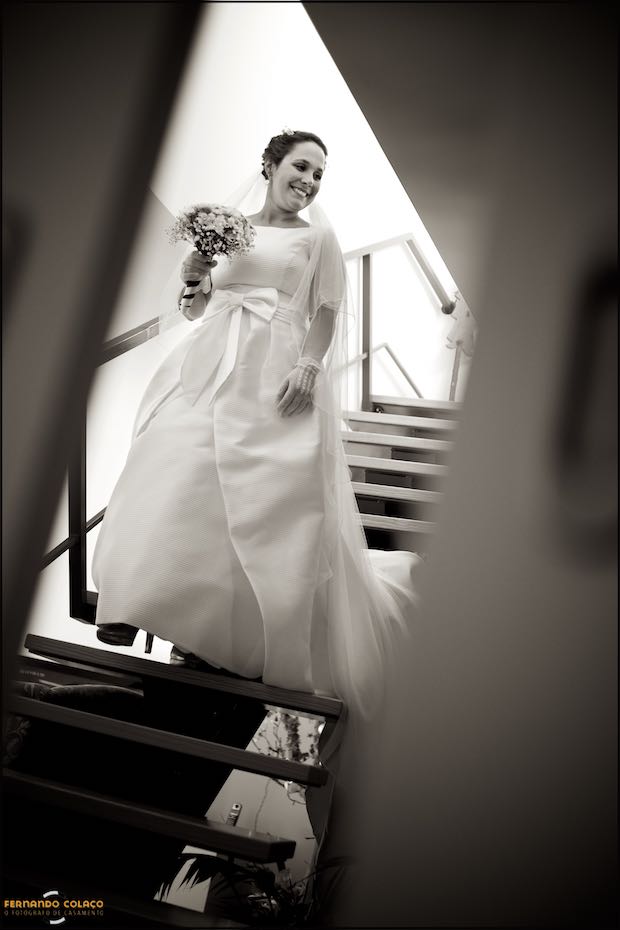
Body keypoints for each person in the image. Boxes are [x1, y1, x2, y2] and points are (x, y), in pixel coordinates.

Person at [92, 129, 422, 722]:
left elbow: (325, 311)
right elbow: (194, 310)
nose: (310, 181)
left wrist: (308, 365)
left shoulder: (318, 236)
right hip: (212, 365)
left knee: (262, 504)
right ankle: (136, 597)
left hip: (273, 375)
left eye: (320, 174)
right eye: (302, 166)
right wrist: (196, 274)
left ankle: (234, 638)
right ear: (269, 165)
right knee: (169, 467)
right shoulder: (227, 228)